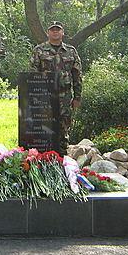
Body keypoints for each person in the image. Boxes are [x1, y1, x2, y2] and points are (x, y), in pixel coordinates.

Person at [29, 21, 82, 156]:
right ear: (48, 33)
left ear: (62, 32)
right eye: (52, 30)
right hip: (45, 97)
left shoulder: (71, 51)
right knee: (44, 127)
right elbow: (32, 74)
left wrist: (77, 97)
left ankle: (62, 157)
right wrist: (34, 97)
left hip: (65, 96)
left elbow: (77, 74)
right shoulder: (39, 50)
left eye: (58, 29)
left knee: (63, 128)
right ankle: (43, 157)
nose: (55, 32)